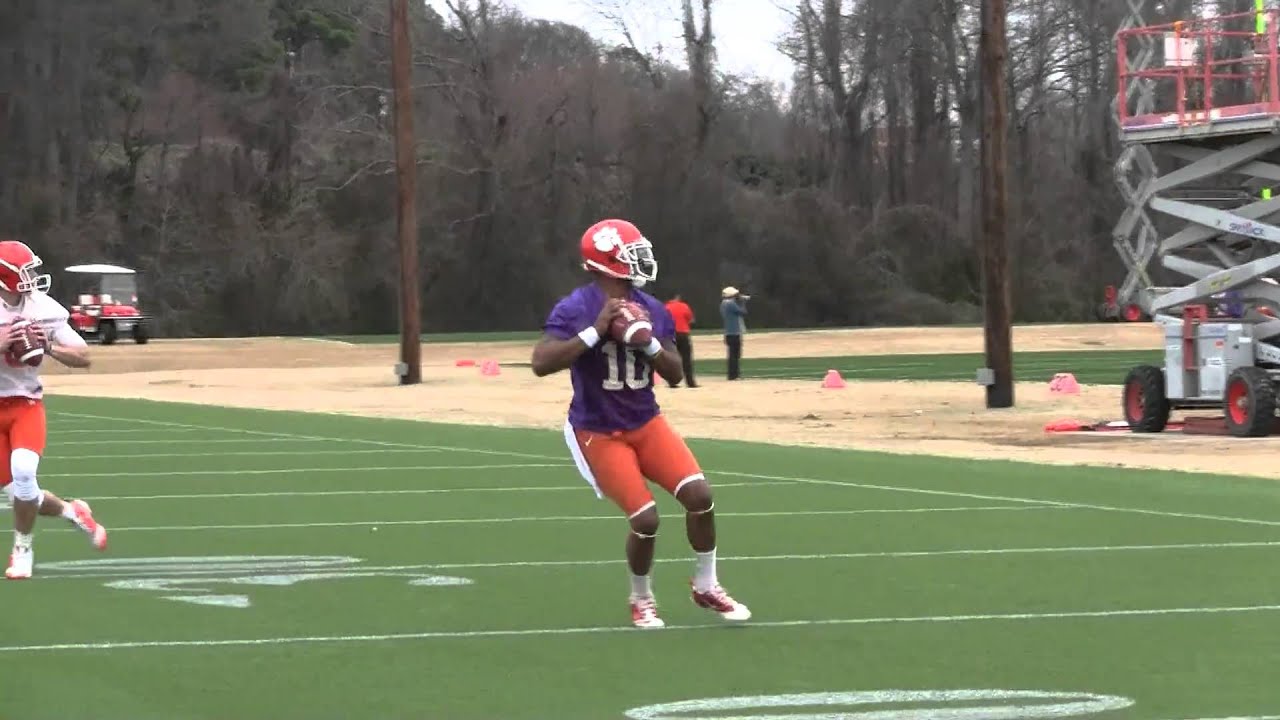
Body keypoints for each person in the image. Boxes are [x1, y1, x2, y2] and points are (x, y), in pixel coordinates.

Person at [531, 218, 750, 629]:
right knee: (646, 519)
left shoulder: (651, 307)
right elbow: (541, 363)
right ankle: (641, 597)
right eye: (631, 255)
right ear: (607, 261)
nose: (640, 262)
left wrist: (645, 339)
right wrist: (596, 333)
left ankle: (707, 584)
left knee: (701, 496)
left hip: (645, 421)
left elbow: (675, 373)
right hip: (597, 428)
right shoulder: (576, 307)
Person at [0, 240, 107, 580]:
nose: (32, 276)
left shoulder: (43, 307)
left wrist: (48, 347)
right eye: (25, 271)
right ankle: (72, 511)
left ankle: (23, 549)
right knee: (21, 493)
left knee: (24, 471)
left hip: (25, 404)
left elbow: (84, 357)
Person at [663, 293, 697, 388]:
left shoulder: (665, 307)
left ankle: (672, 382)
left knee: (671, 359)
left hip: (670, 335)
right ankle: (690, 382)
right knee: (686, 358)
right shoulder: (684, 306)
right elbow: (691, 320)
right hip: (683, 333)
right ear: (677, 297)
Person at [720, 286, 749, 380]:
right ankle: (734, 375)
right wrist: (743, 302)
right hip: (734, 333)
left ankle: (733, 374)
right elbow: (743, 312)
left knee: (732, 355)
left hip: (729, 332)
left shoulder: (723, 304)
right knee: (735, 355)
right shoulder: (730, 304)